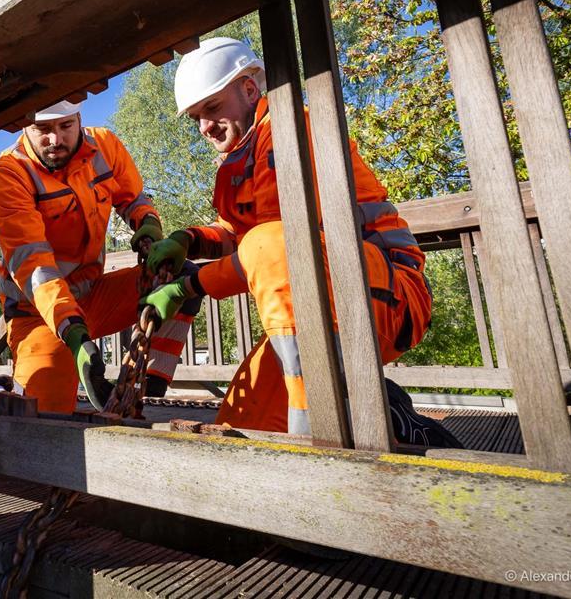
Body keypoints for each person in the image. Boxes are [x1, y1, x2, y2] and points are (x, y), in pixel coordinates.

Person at [142, 37, 460, 447]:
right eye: (196, 118)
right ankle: (397, 422)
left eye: (212, 108)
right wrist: (188, 240)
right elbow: (235, 235)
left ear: (249, 89)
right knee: (244, 426)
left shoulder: (289, 131)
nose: (204, 127)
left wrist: (190, 285)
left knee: (271, 245)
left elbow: (279, 247)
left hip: (385, 294)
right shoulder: (241, 157)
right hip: (321, 307)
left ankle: (325, 439)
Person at [0, 100, 199, 414]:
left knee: (182, 277)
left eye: (65, 126)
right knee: (43, 423)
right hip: (38, 314)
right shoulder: (8, 175)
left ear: (79, 118)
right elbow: (34, 266)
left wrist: (148, 224)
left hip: (93, 295)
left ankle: (150, 386)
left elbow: (134, 197)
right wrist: (72, 332)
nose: (55, 139)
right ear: (23, 125)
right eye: (42, 129)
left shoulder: (105, 145)